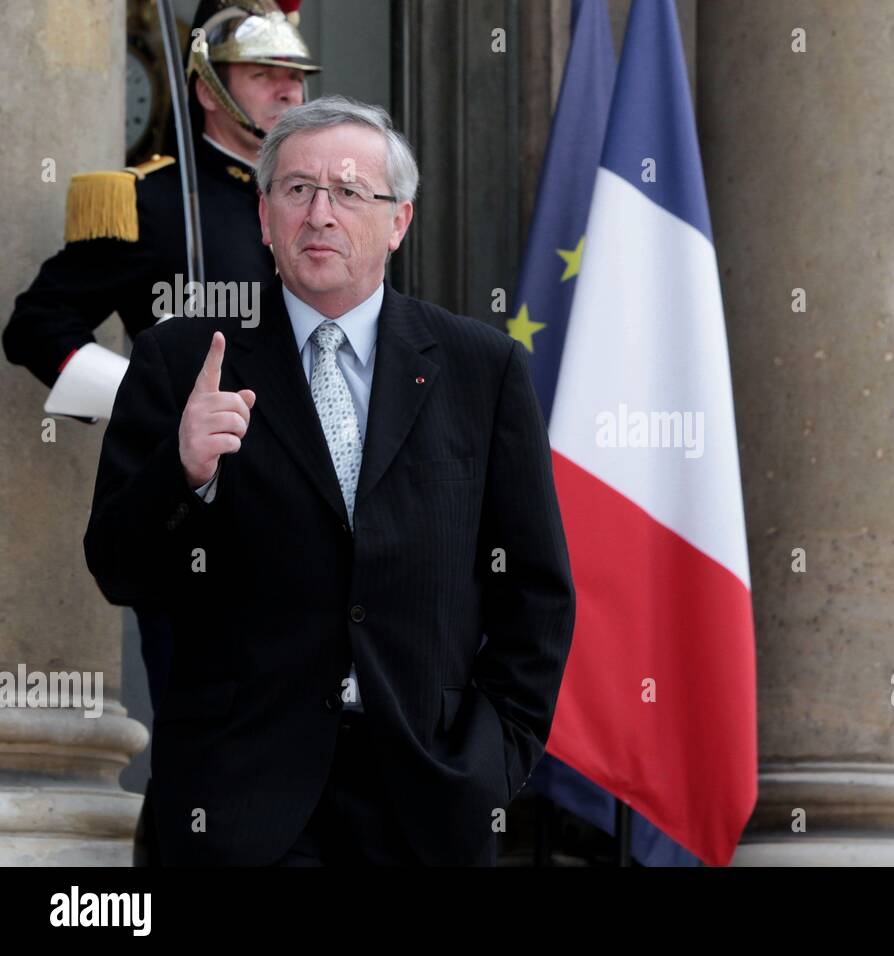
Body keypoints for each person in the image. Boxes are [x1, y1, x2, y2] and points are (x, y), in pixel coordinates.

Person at [83, 96, 577, 866]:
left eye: (349, 192)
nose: (321, 213)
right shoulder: (180, 362)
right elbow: (118, 569)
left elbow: (537, 593)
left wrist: (493, 759)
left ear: (398, 222)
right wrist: (179, 474)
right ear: (264, 216)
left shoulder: (483, 370)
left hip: (428, 800)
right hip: (236, 801)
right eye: (298, 189)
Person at [2, 0, 317, 864]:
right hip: (195, 511)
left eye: (297, 77)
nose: (289, 92)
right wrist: (150, 405)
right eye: (267, 76)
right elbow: (35, 327)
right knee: (202, 742)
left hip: (308, 508)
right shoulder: (144, 202)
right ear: (211, 88)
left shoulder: (318, 205)